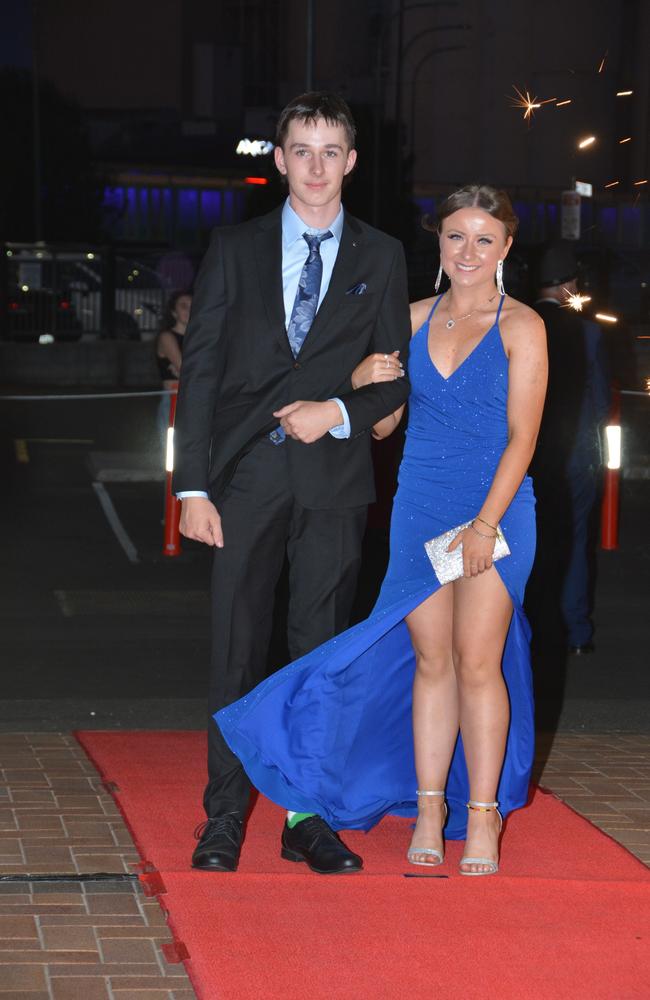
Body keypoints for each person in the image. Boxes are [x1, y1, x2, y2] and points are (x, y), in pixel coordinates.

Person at [217, 184, 548, 876]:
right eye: (456, 236)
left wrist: (486, 524)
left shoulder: (523, 326)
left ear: (506, 248)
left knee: (477, 662)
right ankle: (430, 809)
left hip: (498, 509)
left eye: (484, 239)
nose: (468, 251)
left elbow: (523, 437)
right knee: (431, 663)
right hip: (420, 507)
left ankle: (481, 817)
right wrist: (368, 379)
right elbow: (386, 424)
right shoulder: (410, 317)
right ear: (440, 241)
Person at [172, 92, 411, 874]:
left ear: (350, 161)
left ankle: (306, 816)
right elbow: (200, 374)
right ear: (278, 160)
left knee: (321, 658)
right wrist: (192, 487)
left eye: (330, 150)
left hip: (335, 482)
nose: (315, 166)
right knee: (236, 650)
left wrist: (337, 409)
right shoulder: (234, 248)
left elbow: (391, 380)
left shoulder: (381, 256)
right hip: (243, 480)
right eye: (300, 150)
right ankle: (225, 816)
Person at [528, 244, 610, 654]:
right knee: (576, 540)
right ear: (569, 286)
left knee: (526, 541)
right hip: (575, 451)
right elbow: (599, 401)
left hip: (523, 455)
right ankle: (575, 632)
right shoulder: (588, 331)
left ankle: (529, 629)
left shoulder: (517, 322)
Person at [155, 290, 192, 448]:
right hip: (173, 400)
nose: (189, 310)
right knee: (172, 455)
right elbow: (186, 369)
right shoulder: (167, 337)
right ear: (173, 312)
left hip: (193, 399)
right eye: (183, 306)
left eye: (192, 306)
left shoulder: (198, 338)